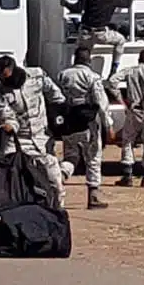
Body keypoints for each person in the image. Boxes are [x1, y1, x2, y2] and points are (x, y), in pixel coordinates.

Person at [0, 55, 66, 209]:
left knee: (54, 178)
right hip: (19, 139)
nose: (4, 81)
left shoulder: (36, 75)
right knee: (7, 172)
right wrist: (10, 125)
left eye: (6, 77)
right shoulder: (0, 92)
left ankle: (58, 210)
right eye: (1, 78)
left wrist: (59, 111)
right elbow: (6, 115)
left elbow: (54, 93)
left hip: (42, 137)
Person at [56, 45, 111, 209]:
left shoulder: (62, 75)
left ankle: (57, 179)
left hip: (69, 122)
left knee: (71, 157)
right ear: (88, 60)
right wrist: (108, 123)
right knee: (93, 158)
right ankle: (93, 195)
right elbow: (101, 102)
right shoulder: (92, 77)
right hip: (88, 123)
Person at [112, 50, 144, 187]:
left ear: (139, 59)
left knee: (128, 141)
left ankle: (127, 175)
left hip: (134, 111)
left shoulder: (131, 71)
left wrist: (120, 98)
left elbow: (112, 81)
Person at [61, 0, 125, 53]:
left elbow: (77, 9)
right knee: (121, 40)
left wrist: (66, 3)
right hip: (101, 33)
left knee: (83, 53)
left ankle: (81, 63)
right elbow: (126, 3)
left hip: (86, 32)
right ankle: (115, 64)